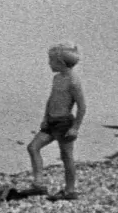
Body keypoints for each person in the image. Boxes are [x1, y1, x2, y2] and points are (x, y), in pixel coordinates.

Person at [26, 42, 87, 198]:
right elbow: (51, 99)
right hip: (51, 121)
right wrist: (45, 118)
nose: (49, 63)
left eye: (51, 61)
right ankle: (38, 183)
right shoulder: (57, 78)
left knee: (66, 156)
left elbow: (81, 107)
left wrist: (75, 128)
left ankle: (70, 190)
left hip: (64, 123)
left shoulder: (73, 82)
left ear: (60, 63)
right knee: (33, 147)